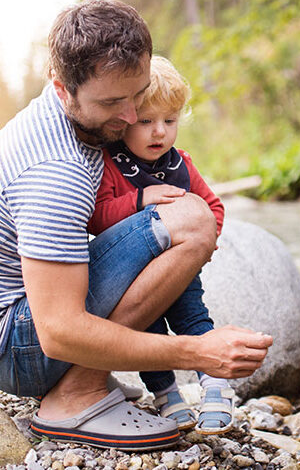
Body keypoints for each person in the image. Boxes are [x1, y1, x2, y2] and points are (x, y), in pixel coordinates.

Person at [0, 0, 272, 451]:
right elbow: (58, 332)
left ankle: (85, 383)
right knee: (192, 221)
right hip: (13, 348)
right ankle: (75, 398)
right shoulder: (56, 171)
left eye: (137, 94)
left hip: (17, 321)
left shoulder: (79, 117)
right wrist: (198, 352)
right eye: (114, 102)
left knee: (191, 216)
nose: (132, 117)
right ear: (63, 89)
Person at [87, 56, 232, 435]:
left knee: (195, 320)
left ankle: (215, 385)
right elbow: (98, 217)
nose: (159, 133)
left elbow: (212, 207)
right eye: (147, 121)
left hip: (180, 269)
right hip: (134, 277)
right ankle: (167, 395)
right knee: (147, 334)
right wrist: (141, 199)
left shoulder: (180, 163)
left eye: (169, 121)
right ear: (125, 121)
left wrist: (203, 243)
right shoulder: (111, 165)